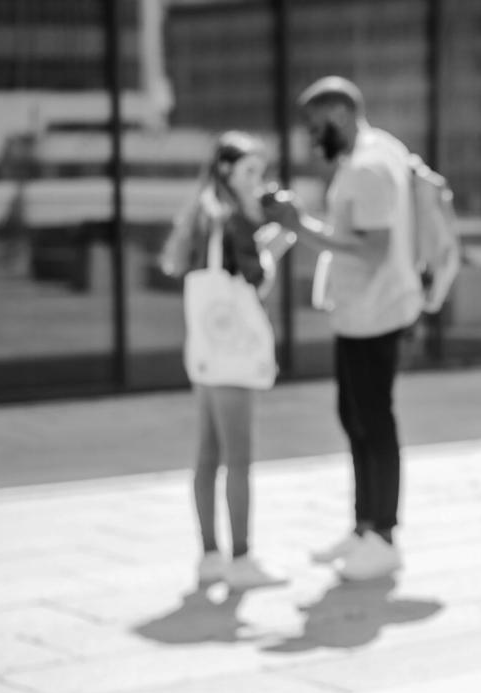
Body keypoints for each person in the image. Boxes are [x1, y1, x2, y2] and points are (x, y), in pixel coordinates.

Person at [265, 76, 415, 582]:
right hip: (363, 311)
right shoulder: (377, 152)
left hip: (375, 314)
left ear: (343, 117)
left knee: (372, 421)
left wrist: (300, 226)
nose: (311, 138)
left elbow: (372, 249)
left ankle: (383, 536)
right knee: (356, 417)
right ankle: (364, 526)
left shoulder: (369, 167)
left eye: (316, 126)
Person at [159, 131, 290, 589]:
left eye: (261, 172)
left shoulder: (198, 216)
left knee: (207, 455)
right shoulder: (234, 222)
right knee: (238, 458)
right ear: (226, 170)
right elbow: (256, 286)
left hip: (204, 354)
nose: (258, 181)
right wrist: (278, 241)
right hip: (230, 357)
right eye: (250, 171)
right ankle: (241, 559)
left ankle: (210, 556)